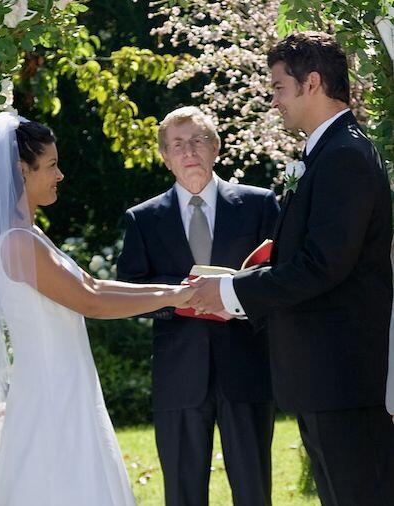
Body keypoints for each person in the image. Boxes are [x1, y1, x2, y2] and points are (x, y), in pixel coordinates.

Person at [188, 32, 394, 504]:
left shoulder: (345, 155)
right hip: (323, 376)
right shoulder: (327, 152)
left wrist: (230, 293)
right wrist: (238, 278)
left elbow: (323, 266)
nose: (274, 99)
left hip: (342, 375)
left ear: (312, 83)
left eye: (279, 87)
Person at [0, 112, 194, 505]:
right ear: (21, 171)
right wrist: (171, 298)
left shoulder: (31, 235)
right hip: (49, 391)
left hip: (68, 380)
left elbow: (92, 284)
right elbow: (91, 303)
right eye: (51, 165)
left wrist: (173, 290)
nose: (59, 175)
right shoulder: (17, 244)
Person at [116, 106, 278, 506]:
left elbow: (280, 277)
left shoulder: (260, 205)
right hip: (180, 373)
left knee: (253, 489)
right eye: (177, 145)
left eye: (197, 140)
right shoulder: (143, 219)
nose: (189, 151)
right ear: (165, 157)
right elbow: (130, 291)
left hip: (247, 368)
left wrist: (232, 296)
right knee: (183, 494)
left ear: (216, 147)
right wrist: (186, 295)